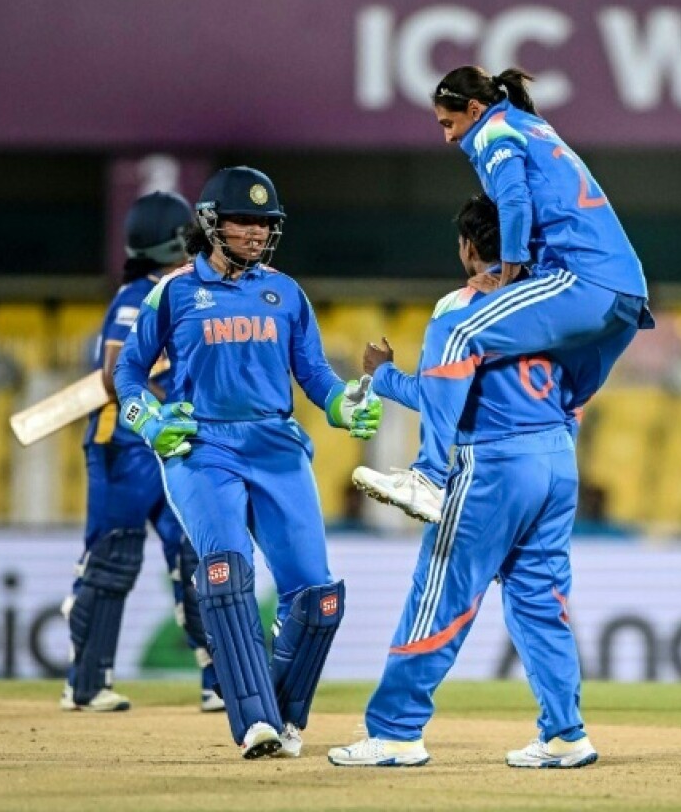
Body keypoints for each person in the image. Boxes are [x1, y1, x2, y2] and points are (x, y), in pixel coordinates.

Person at [113, 166, 383, 759]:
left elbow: (313, 374)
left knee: (318, 597)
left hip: (276, 448)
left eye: (265, 223)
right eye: (244, 221)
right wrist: (149, 422)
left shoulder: (285, 292)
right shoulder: (176, 291)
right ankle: (254, 721)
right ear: (211, 224)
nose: (256, 232)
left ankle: (282, 720)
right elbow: (127, 373)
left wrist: (345, 406)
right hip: (201, 446)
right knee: (226, 572)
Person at [330, 194, 596, 769]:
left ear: (469, 247)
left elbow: (438, 395)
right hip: (556, 457)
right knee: (540, 602)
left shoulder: (460, 306)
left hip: (494, 465)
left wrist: (381, 377)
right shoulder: (550, 298)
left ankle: (397, 732)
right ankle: (565, 734)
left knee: (440, 593)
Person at [352, 66, 652, 525]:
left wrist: (511, 274)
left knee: (457, 330)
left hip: (584, 280)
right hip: (626, 298)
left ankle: (429, 477)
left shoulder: (494, 131)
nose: (449, 138)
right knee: (563, 404)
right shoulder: (531, 125)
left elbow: (514, 202)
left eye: (448, 124)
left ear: (474, 110)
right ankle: (545, 510)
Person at [60, 191, 221, 714]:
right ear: (178, 239)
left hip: (171, 447)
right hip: (125, 444)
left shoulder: (188, 292)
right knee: (114, 558)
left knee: (198, 558)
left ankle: (219, 680)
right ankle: (85, 683)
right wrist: (167, 403)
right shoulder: (138, 295)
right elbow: (113, 374)